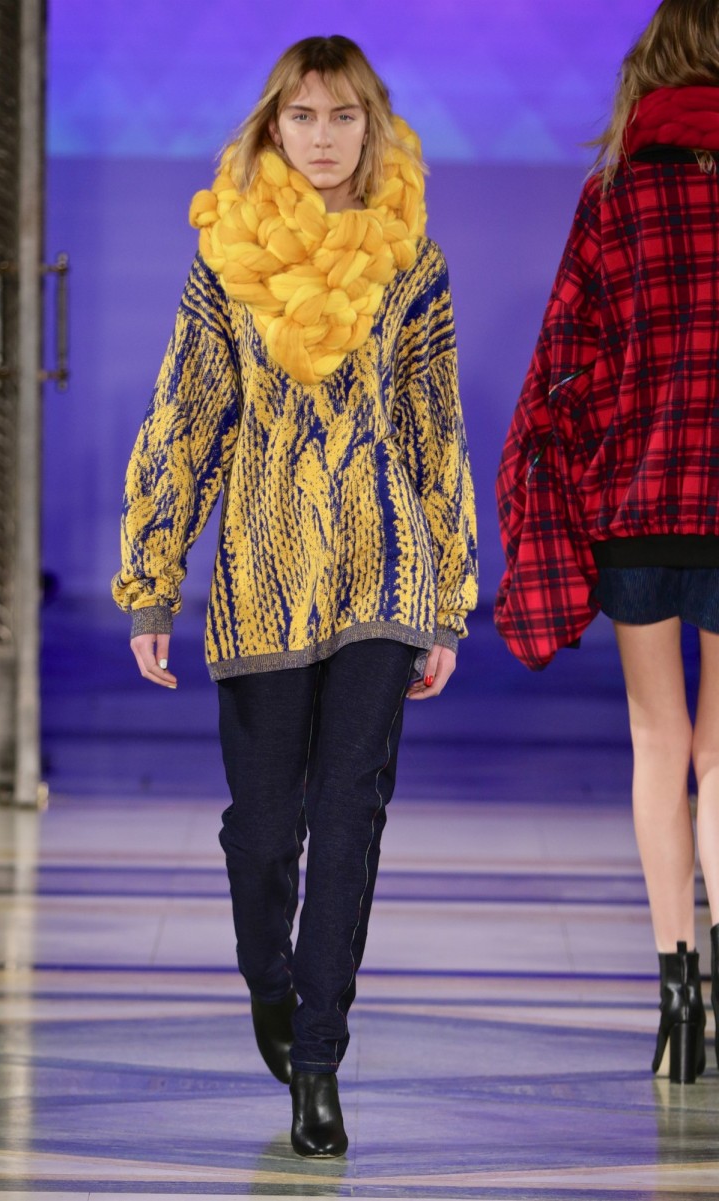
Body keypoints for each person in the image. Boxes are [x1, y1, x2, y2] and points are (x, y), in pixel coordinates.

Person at [112, 35, 477, 1155]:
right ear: (273, 126)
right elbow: (186, 419)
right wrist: (151, 582)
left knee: (349, 818)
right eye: (303, 117)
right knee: (263, 833)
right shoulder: (227, 258)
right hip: (262, 579)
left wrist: (448, 597)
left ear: (374, 127)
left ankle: (319, 1057)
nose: (323, 138)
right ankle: (268, 981)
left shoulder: (411, 261)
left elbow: (434, 429)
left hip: (382, 568)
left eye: (343, 117)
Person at [495, 0, 719, 1085]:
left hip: (639, 501)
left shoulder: (615, 195)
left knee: (656, 745)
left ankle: (677, 992)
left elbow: (565, 363)